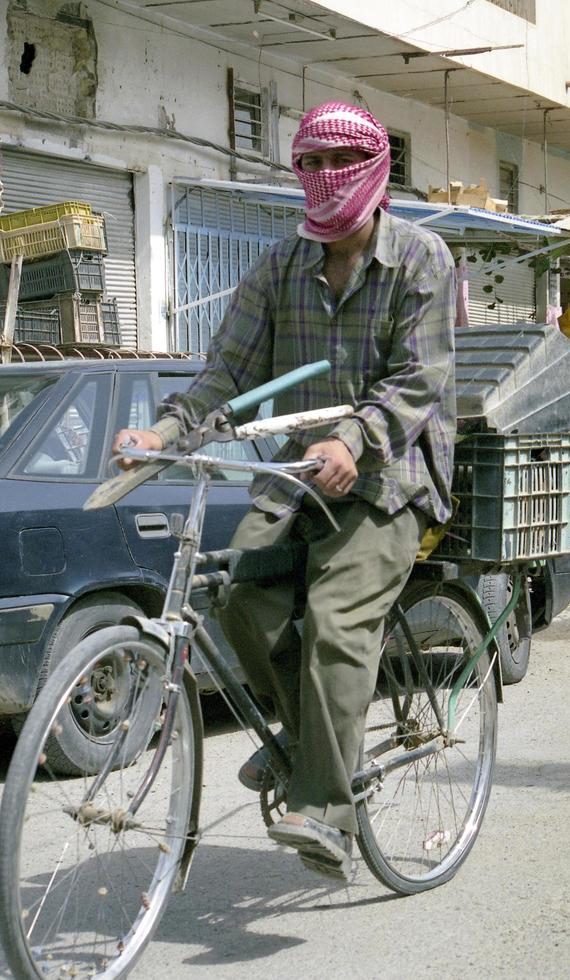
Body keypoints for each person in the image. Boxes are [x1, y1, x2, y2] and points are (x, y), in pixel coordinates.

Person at [113, 101, 457, 880]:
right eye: (309, 161)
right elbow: (227, 372)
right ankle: (310, 754)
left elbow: (419, 378)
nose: (324, 175)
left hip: (390, 477)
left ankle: (328, 811)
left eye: (341, 159)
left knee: (336, 620)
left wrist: (355, 437)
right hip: (303, 476)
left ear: (375, 166)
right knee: (236, 591)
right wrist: (163, 434)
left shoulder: (421, 258)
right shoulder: (279, 267)